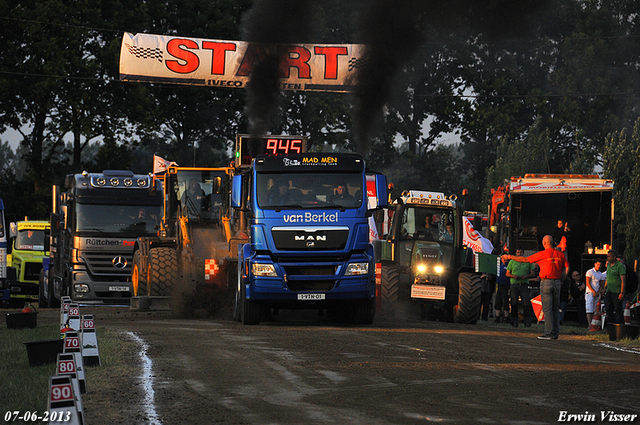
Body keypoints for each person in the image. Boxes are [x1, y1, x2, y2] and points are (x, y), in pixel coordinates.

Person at [503, 234, 570, 340]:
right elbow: (567, 268)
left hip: (546, 282)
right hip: (557, 282)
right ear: (552, 243)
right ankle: (556, 332)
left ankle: (548, 332)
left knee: (547, 308)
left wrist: (510, 256)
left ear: (544, 243)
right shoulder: (560, 254)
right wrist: (561, 280)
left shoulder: (542, 254)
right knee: (555, 308)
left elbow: (525, 260)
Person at [506, 247, 536, 327]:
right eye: (518, 252)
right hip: (514, 284)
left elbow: (533, 273)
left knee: (526, 303)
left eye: (521, 253)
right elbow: (507, 273)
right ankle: (514, 322)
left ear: (523, 253)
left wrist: (526, 276)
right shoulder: (512, 262)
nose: (519, 254)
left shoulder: (528, 262)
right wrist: (513, 276)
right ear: (516, 253)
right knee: (514, 303)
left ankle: (527, 322)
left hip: (524, 285)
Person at [603, 249, 626, 324]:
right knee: (608, 309)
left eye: (609, 256)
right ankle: (611, 326)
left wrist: (622, 292)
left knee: (618, 309)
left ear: (614, 257)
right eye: (607, 256)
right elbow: (608, 277)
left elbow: (623, 280)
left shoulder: (620, 266)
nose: (608, 258)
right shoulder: (609, 265)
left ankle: (620, 326)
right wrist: (604, 288)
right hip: (609, 291)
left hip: (616, 292)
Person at [585, 260, 605, 326]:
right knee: (589, 308)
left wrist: (598, 292)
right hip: (590, 292)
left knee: (595, 308)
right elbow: (588, 283)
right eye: (598, 264)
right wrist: (593, 291)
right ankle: (589, 324)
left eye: (600, 265)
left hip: (597, 292)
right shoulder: (590, 272)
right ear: (595, 264)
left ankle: (594, 324)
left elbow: (601, 285)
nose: (599, 266)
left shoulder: (600, 274)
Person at [494, 255, 511, 324]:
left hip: (506, 286)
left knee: (505, 301)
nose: (504, 260)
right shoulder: (499, 266)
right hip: (499, 286)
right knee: (498, 301)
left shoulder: (509, 266)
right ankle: (497, 317)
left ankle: (506, 317)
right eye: (502, 258)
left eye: (505, 258)